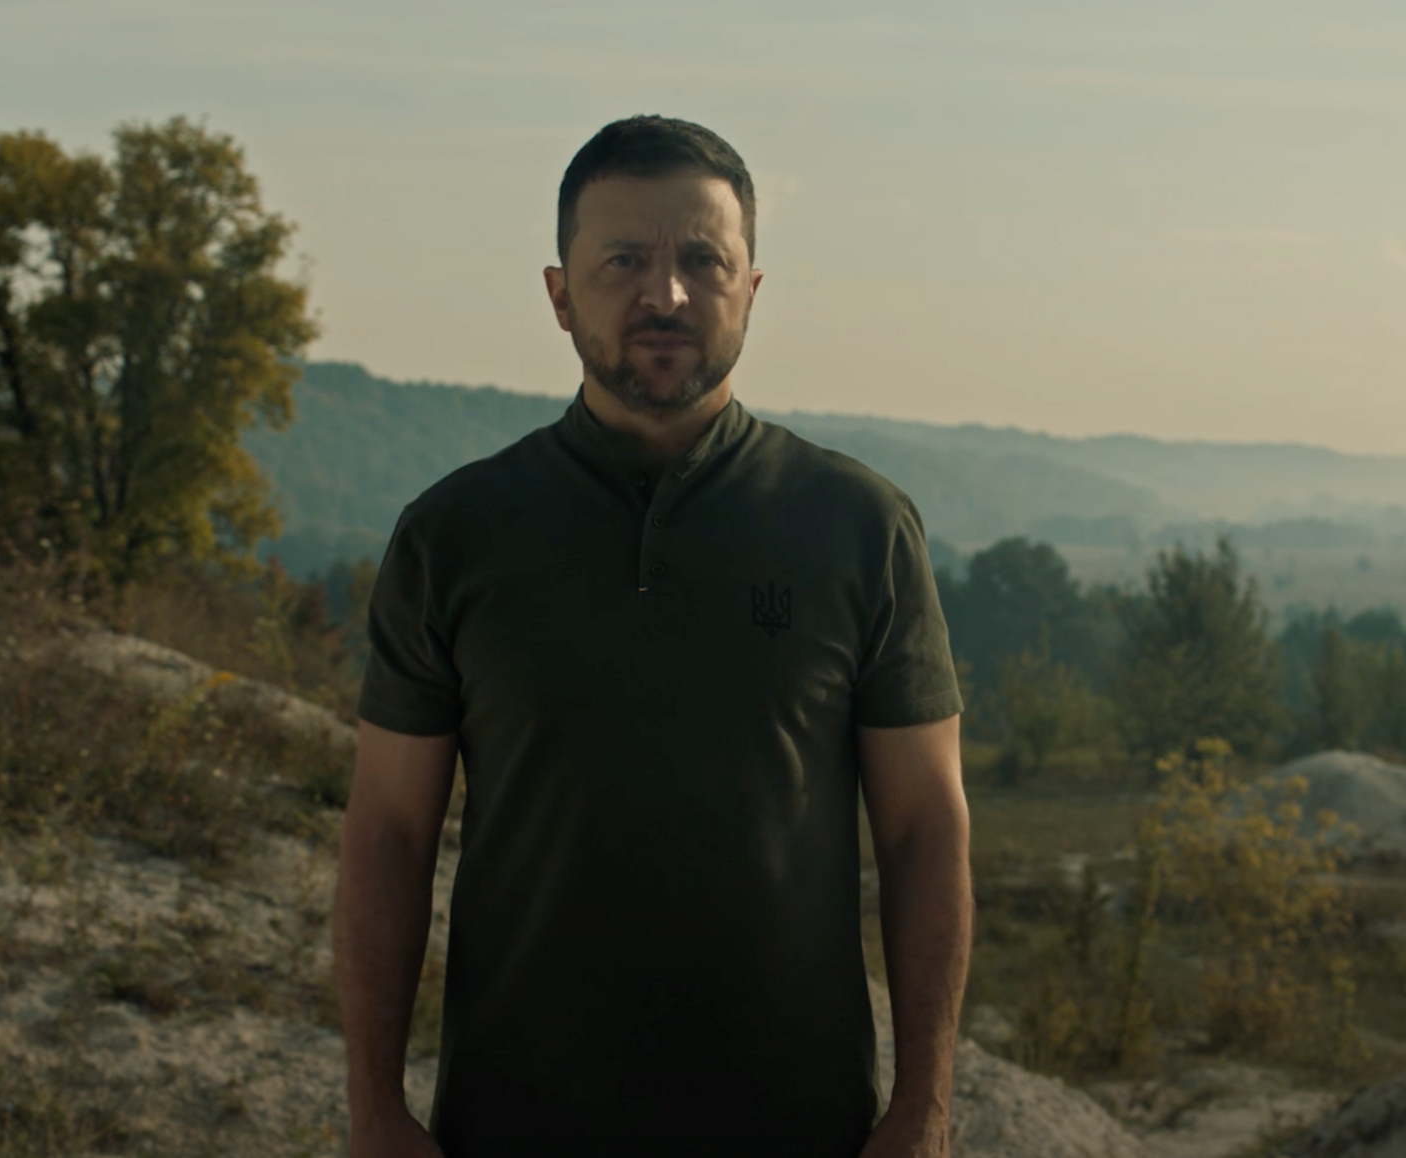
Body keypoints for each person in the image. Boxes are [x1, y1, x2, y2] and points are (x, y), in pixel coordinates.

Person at [334, 114, 972, 1158]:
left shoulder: (859, 527)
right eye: (623, 260)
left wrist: (922, 1109)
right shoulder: (454, 535)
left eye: (701, 261)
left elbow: (923, 831)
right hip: (513, 1125)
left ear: (750, 289)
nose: (664, 294)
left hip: (800, 1127)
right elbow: (388, 835)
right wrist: (374, 1113)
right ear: (558, 295)